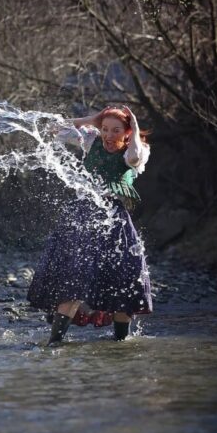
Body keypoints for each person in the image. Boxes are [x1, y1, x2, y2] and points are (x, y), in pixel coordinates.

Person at [27, 105, 153, 344]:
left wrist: (135, 127)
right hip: (82, 216)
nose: (108, 135)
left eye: (116, 130)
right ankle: (54, 343)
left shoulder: (135, 151)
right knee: (73, 280)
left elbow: (135, 157)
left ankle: (120, 344)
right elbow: (55, 129)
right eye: (105, 129)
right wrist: (91, 120)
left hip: (114, 221)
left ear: (127, 132)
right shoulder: (90, 140)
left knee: (123, 282)